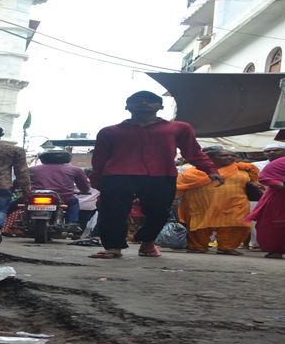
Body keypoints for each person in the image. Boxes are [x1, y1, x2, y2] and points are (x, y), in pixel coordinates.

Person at [89, 90, 223, 258]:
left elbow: (193, 152)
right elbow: (99, 158)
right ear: (127, 107)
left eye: (150, 100)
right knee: (112, 211)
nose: (144, 103)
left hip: (162, 174)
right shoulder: (109, 131)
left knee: (159, 212)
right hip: (118, 175)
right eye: (137, 100)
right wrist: (96, 179)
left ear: (160, 106)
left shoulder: (179, 128)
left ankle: (147, 243)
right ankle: (113, 248)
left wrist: (210, 170)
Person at [176, 148, 259, 255]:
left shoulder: (243, 169)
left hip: (235, 204)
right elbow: (179, 187)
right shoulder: (192, 172)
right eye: (224, 156)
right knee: (198, 226)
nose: (230, 157)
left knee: (236, 224)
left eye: (232, 155)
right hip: (201, 205)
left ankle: (227, 247)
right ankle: (198, 246)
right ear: (209, 157)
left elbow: (255, 183)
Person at [29, 148, 91, 225]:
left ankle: (8, 218)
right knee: (74, 202)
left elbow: (21, 181)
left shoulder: (32, 169)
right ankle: (71, 223)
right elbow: (84, 185)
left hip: (34, 196)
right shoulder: (75, 169)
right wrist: (84, 191)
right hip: (64, 198)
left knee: (13, 205)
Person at [246, 143, 285, 259]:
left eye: (276, 150)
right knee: (270, 225)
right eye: (268, 151)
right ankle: (275, 249)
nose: (271, 153)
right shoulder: (255, 165)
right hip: (276, 198)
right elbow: (265, 179)